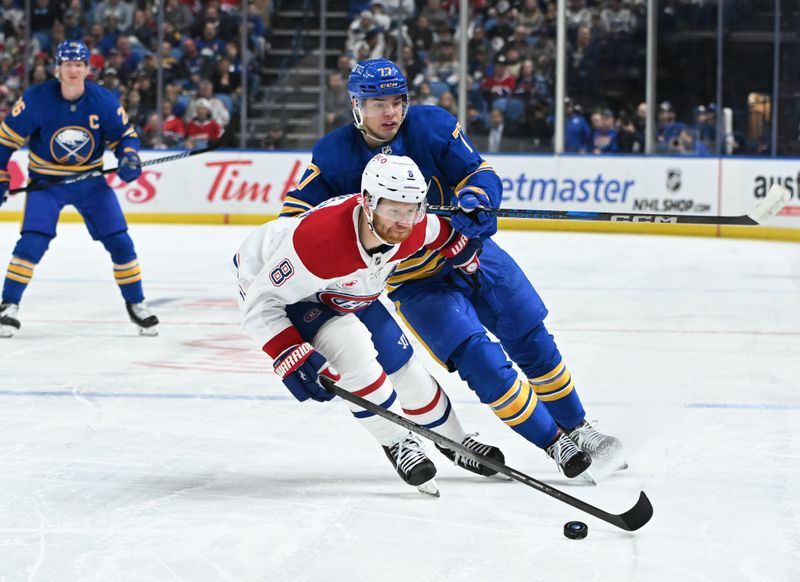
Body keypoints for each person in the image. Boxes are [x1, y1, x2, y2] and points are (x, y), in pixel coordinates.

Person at [281, 59, 626, 480]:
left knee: (531, 338)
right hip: (415, 281)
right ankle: (555, 443)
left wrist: (478, 197)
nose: (390, 113)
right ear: (356, 105)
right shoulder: (334, 156)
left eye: (397, 102)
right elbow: (295, 220)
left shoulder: (431, 125)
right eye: (377, 104)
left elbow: (478, 172)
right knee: (480, 360)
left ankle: (578, 427)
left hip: (473, 254)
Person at [236, 154, 499, 495]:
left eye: (412, 209)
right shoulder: (317, 243)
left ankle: (456, 441)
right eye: (393, 210)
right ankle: (397, 442)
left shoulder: (413, 224)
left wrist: (463, 248)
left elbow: (441, 233)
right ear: (368, 202)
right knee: (357, 355)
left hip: (351, 287)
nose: (404, 222)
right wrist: (288, 353)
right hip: (292, 292)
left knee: (405, 367)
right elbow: (260, 304)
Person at [0, 40, 158, 337]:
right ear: (57, 68)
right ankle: (8, 305)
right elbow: (4, 143)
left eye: (79, 64)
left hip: (90, 182)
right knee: (32, 243)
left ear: (87, 68)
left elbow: (125, 136)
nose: (73, 70)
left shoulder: (104, 101)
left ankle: (137, 304)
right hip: (47, 184)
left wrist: (129, 157)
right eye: (67, 64)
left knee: (121, 243)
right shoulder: (35, 99)